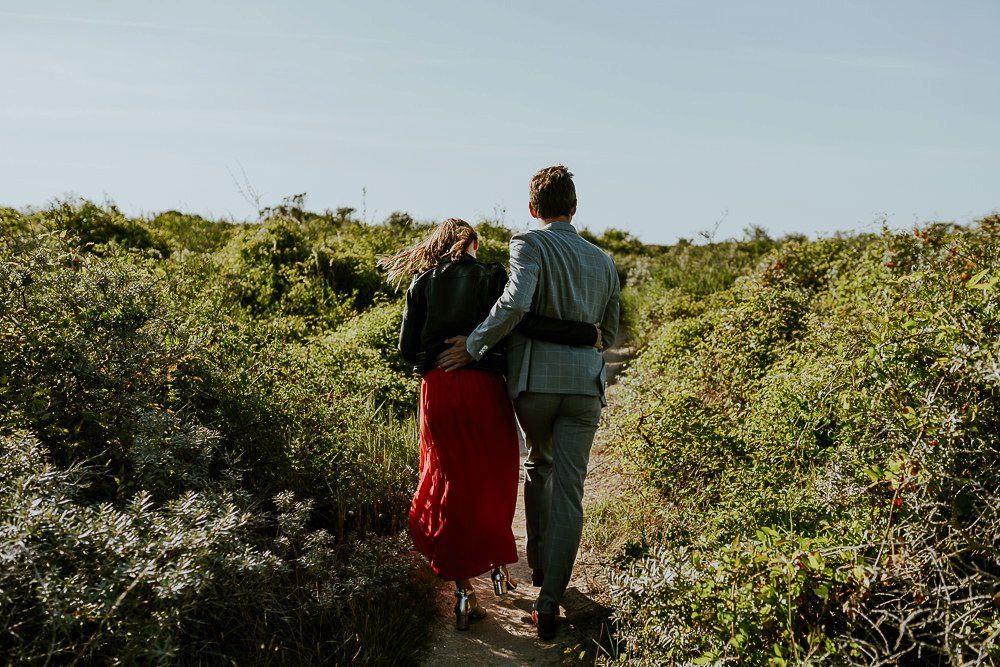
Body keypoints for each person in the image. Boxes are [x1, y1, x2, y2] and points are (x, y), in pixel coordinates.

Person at [378, 218, 599, 631]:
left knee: (448, 482)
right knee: (494, 480)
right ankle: (498, 567)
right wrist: (584, 332)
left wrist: (439, 354)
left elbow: (408, 349)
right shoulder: (494, 274)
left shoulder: (421, 282)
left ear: (438, 246)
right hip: (485, 388)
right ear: (474, 243)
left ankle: (465, 591)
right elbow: (519, 320)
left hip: (438, 390)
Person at [437, 166, 620, 640]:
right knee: (570, 489)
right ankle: (550, 598)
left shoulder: (529, 242)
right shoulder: (603, 261)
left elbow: (516, 303)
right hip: (584, 387)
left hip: (535, 384)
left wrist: (474, 345)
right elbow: (611, 334)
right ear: (575, 208)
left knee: (540, 463)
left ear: (533, 208)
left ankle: (537, 564)